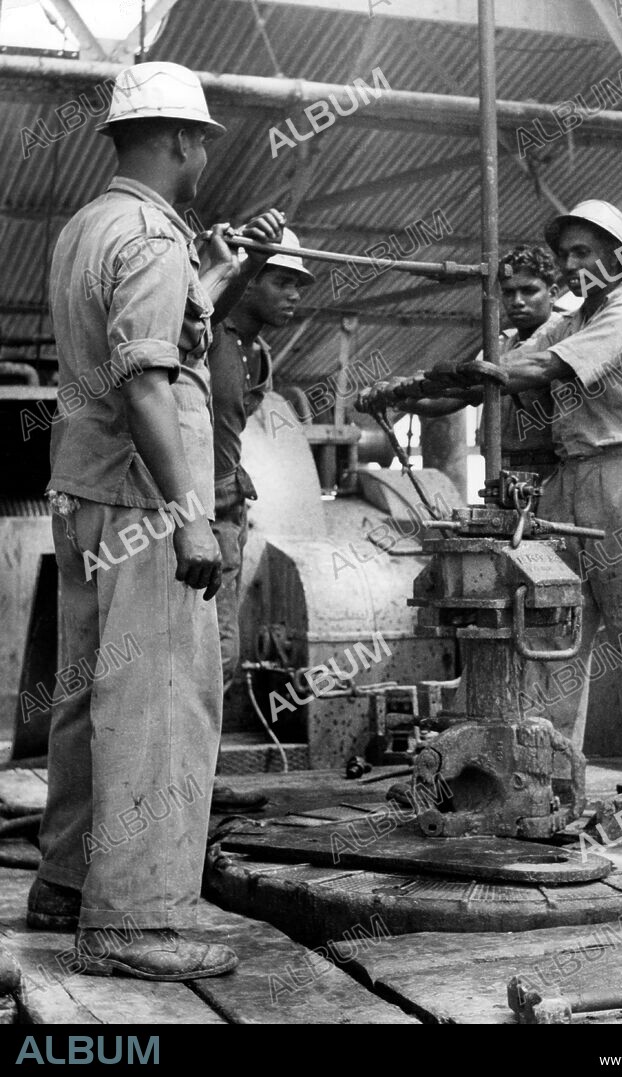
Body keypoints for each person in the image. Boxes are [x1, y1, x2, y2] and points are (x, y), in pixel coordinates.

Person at [28, 61, 284, 981]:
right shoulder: (150, 236)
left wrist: (214, 277)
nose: (205, 153)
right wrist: (190, 518)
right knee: (159, 706)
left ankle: (66, 884)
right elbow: (145, 382)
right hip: (142, 504)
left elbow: (149, 339)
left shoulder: (88, 227)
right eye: (203, 141)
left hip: (86, 493)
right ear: (183, 139)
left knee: (87, 697)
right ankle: (133, 920)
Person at [490, 200, 622, 790]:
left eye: (583, 252)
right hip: (567, 479)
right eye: (566, 254)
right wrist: (420, 387)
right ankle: (552, 783)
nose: (571, 265)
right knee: (556, 638)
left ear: (618, 258)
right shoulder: (572, 321)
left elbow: (537, 369)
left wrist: (473, 374)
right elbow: (509, 360)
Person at [210, 229, 313, 693]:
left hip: (229, 511)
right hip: (190, 513)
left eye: (298, 284)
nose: (294, 295)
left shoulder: (261, 355)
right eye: (282, 281)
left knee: (221, 656)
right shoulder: (208, 335)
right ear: (247, 279)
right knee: (211, 657)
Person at [396, 244, 563, 479]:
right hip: (501, 470)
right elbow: (450, 401)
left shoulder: (565, 336)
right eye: (509, 292)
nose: (517, 301)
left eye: (529, 291)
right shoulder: (497, 347)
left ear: (553, 293)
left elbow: (470, 390)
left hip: (552, 471)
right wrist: (397, 397)